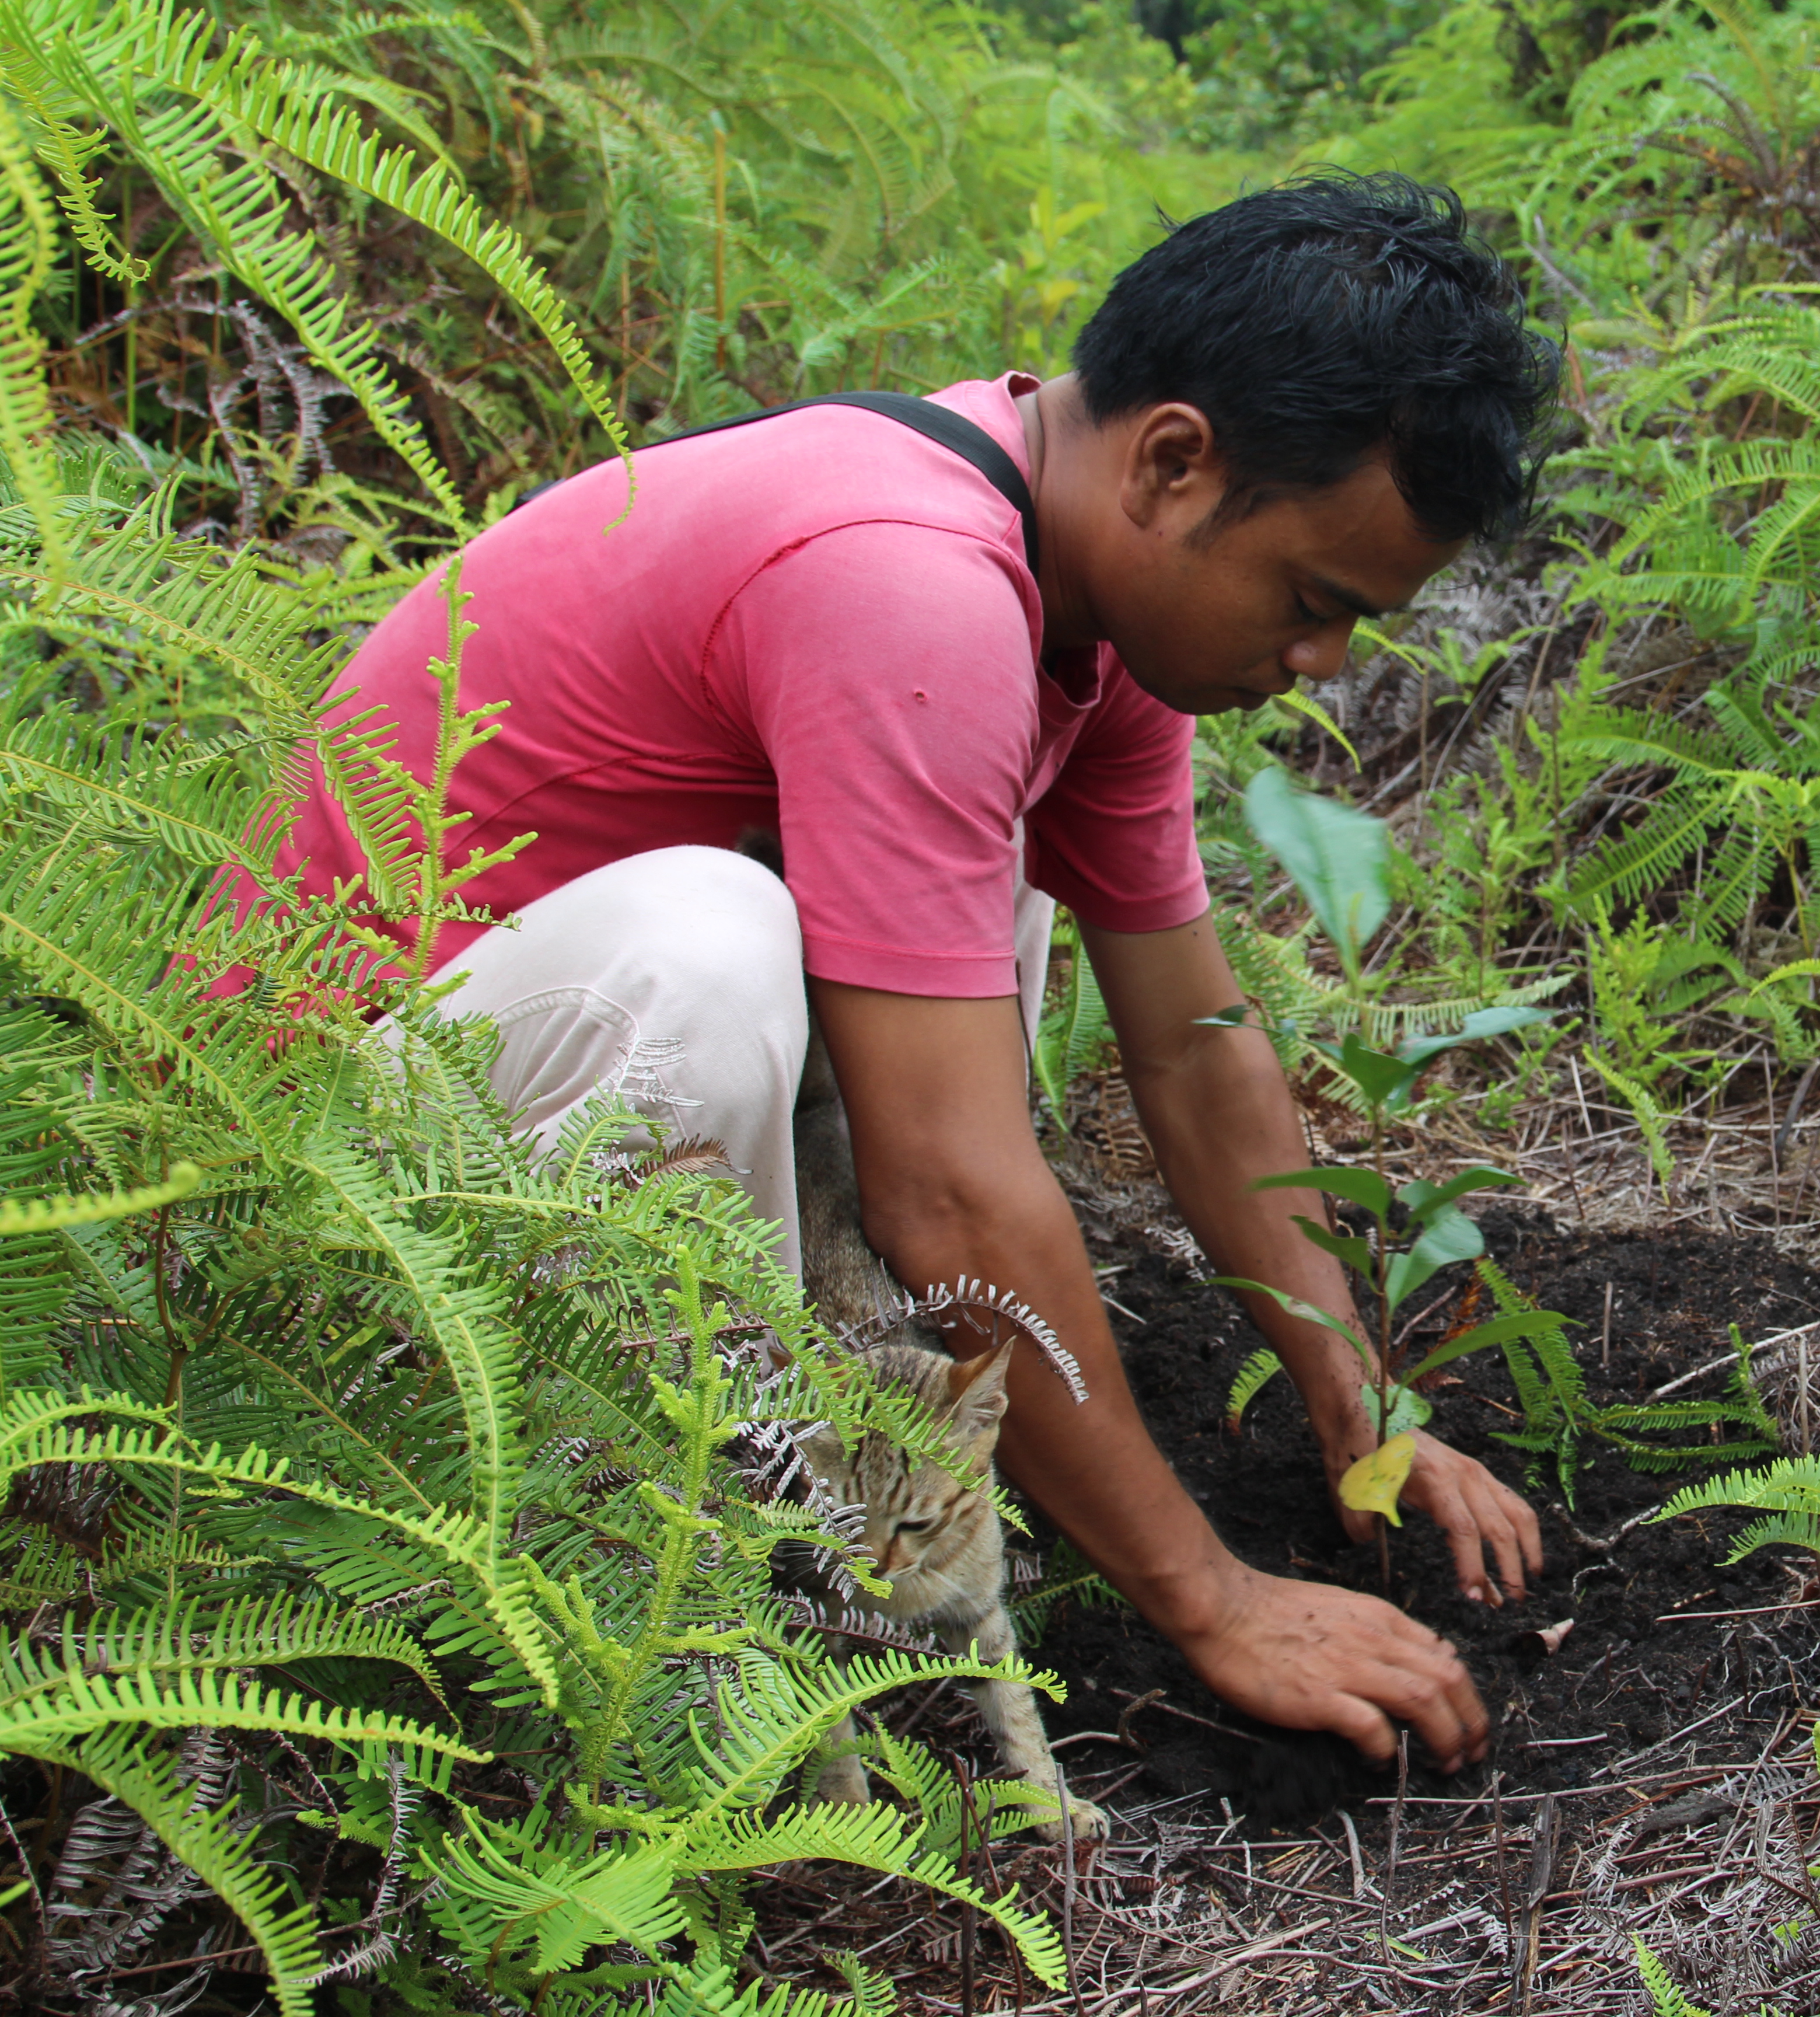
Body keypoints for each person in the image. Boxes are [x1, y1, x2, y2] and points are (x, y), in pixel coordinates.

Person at [237, 172, 1560, 1775]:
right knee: (711, 949)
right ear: (1172, 461)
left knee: (963, 903)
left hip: (511, 1113)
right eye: (1311, 602)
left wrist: (1361, 1404)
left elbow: (1197, 1047)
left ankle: (828, 1445)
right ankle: (671, 1601)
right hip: (311, 1194)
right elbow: (947, 1191)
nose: (1322, 664)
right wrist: (1213, 1600)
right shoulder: (909, 579)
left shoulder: (1077, 588)